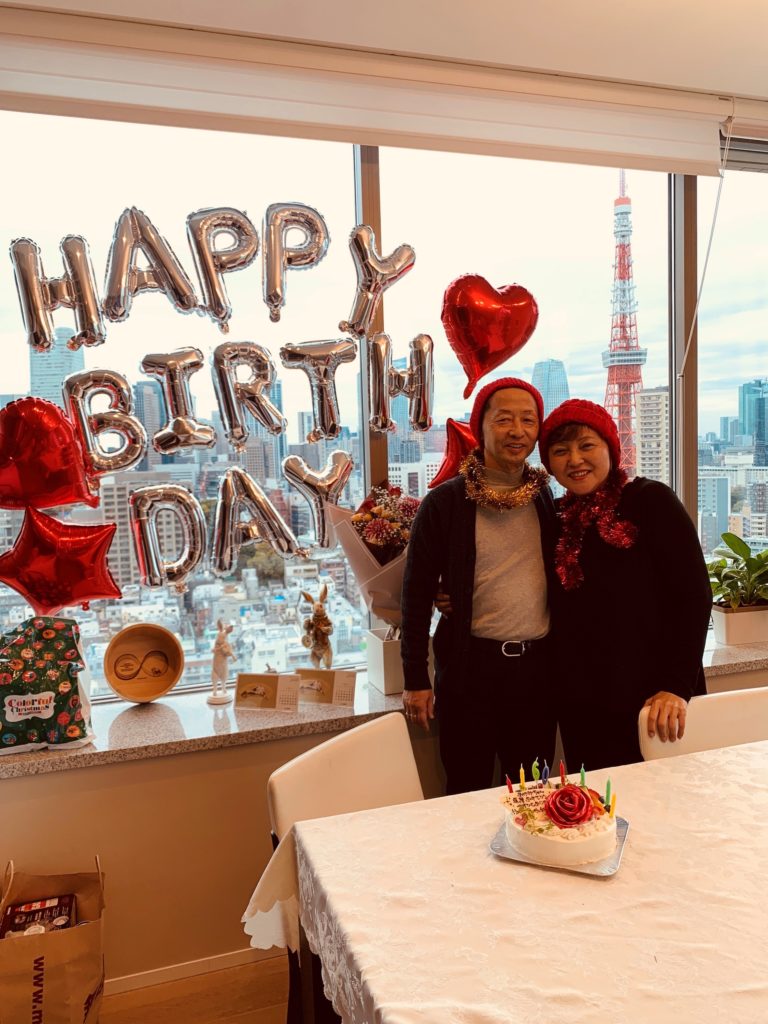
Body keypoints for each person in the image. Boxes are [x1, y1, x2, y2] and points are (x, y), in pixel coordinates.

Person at [400, 377, 558, 794]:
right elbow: (415, 595)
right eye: (504, 419)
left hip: (537, 673)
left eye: (528, 420)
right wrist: (416, 678)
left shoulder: (544, 498)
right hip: (471, 671)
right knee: (465, 790)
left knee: (533, 795)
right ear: (481, 426)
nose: (517, 430)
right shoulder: (445, 503)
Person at [538, 398, 712, 770]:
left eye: (587, 446)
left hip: (654, 697)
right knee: (601, 810)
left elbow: (694, 595)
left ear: (611, 450)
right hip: (582, 701)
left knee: (668, 802)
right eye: (560, 450)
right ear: (549, 464)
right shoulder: (554, 516)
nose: (575, 460)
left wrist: (676, 685)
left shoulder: (650, 500)